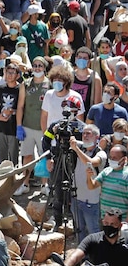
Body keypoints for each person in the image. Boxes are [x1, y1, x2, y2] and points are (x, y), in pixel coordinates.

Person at [51, 208, 128, 266]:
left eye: (112, 224)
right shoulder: (93, 239)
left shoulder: (126, 240)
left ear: (120, 225)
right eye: (106, 223)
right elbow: (76, 256)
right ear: (102, 222)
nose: (109, 226)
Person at [43, 95, 85, 227]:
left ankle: (74, 220)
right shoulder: (56, 125)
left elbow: (87, 144)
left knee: (74, 191)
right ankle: (58, 220)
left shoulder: (82, 127)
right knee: (57, 191)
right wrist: (48, 158)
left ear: (77, 110)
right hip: (58, 159)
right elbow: (46, 140)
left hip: (75, 161)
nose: (67, 110)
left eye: (71, 107)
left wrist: (75, 141)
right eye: (65, 106)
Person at [16, 57, 51, 194]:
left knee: (44, 156)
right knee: (27, 156)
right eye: (35, 65)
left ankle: (45, 185)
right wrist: (19, 126)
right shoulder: (26, 84)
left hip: (44, 128)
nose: (37, 68)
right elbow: (20, 106)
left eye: (40, 66)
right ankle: (25, 184)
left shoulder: (50, 84)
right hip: (28, 126)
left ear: (44, 68)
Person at [71, 124, 107, 241]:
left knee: (93, 231)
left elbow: (90, 162)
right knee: (79, 229)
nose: (85, 136)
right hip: (76, 198)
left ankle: (96, 258)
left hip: (91, 201)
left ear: (97, 137)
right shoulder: (81, 148)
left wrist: (76, 148)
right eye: (83, 133)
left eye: (88, 133)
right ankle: (82, 256)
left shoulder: (101, 154)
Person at [0, 62, 24, 166]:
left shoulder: (20, 89)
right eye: (8, 72)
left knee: (13, 155)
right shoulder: (1, 88)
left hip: (14, 126)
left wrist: (12, 111)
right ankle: (3, 176)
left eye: (12, 73)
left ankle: (14, 177)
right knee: (2, 156)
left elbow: (22, 108)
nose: (9, 75)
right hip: (1, 125)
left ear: (18, 75)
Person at [93, 146, 128, 217]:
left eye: (115, 158)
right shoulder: (106, 171)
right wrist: (88, 176)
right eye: (110, 157)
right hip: (105, 218)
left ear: (124, 159)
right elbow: (92, 186)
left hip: (122, 221)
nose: (111, 160)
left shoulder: (126, 174)